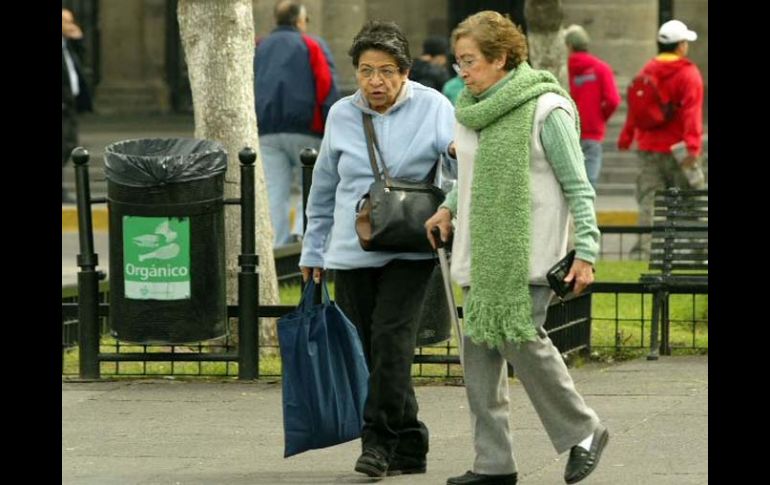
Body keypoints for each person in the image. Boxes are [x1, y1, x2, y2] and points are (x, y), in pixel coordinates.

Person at [424, 11, 607, 485]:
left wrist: (586, 250)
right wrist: (448, 207)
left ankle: (584, 431)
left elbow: (579, 186)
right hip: (481, 255)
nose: (460, 71)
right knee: (480, 363)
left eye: (470, 61)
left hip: (526, 255)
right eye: (458, 61)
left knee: (522, 341)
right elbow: (471, 175)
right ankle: (494, 463)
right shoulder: (470, 108)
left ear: (501, 57)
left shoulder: (547, 108)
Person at [299, 20, 456, 478]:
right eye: (366, 71)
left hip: (412, 245)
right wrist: (314, 249)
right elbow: (324, 187)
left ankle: (378, 443)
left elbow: (455, 167)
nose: (376, 82)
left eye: (386, 71)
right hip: (353, 249)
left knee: (392, 341)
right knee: (372, 350)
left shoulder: (433, 106)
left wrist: (453, 159)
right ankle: (411, 442)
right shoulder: (342, 114)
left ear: (405, 71)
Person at [254, 0, 340, 246]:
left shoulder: (260, 47)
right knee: (312, 190)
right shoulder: (312, 44)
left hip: (267, 130)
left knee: (274, 191)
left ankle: (277, 247)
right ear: (300, 20)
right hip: (307, 128)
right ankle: (307, 244)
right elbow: (325, 87)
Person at [617, 19, 704, 256]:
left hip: (648, 148)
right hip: (679, 150)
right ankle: (700, 254)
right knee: (693, 202)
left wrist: (627, 136)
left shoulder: (647, 70)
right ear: (681, 46)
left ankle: (643, 253)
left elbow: (636, 107)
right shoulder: (688, 74)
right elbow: (691, 114)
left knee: (649, 202)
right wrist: (693, 148)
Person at [564, 24, 620, 189]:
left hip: (566, 130)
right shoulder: (601, 69)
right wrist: (600, 117)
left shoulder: (562, 69)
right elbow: (613, 100)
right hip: (592, 132)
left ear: (568, 46)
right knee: (589, 182)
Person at [62, 7, 92, 203]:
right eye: (66, 22)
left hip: (69, 105)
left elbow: (79, 63)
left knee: (69, 144)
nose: (71, 25)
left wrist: (78, 39)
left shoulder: (67, 46)